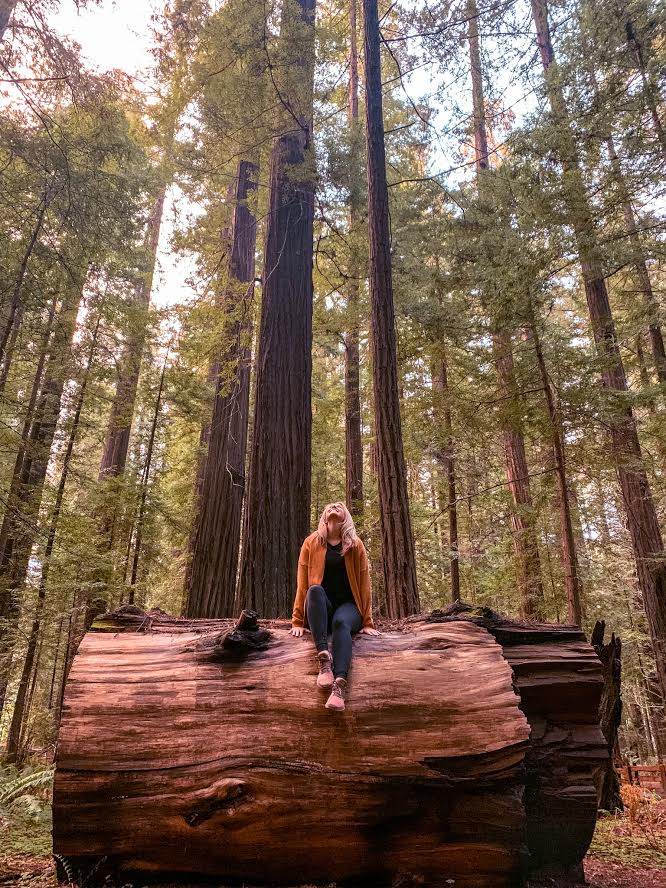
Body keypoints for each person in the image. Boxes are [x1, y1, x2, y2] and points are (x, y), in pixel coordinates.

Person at [290, 502, 380, 711]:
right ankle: (323, 660)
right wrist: (297, 620)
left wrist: (367, 621)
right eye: (330, 506)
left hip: (350, 608)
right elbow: (302, 583)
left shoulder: (355, 545)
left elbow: (365, 584)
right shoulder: (311, 543)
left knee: (341, 622)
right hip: (323, 610)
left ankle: (339, 685)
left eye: (339, 506)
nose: (334, 507)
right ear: (324, 516)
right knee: (314, 590)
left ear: (345, 517)